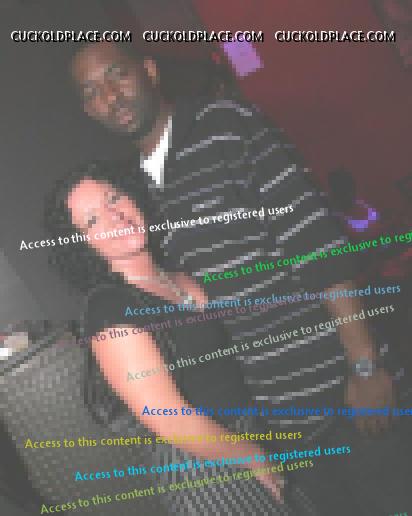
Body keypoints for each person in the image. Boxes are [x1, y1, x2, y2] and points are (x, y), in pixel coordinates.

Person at [69, 42, 407, 515]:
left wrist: (364, 364)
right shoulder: (139, 193)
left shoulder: (224, 125)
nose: (111, 96)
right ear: (88, 111)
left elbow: (317, 241)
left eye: (117, 75)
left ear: (149, 71)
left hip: (342, 392)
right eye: (93, 91)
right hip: (281, 425)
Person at [44, 160, 318, 516]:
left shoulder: (180, 273)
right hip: (201, 465)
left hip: (251, 431)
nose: (114, 215)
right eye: (92, 220)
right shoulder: (108, 307)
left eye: (114, 197)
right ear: (82, 245)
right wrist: (251, 455)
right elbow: (168, 418)